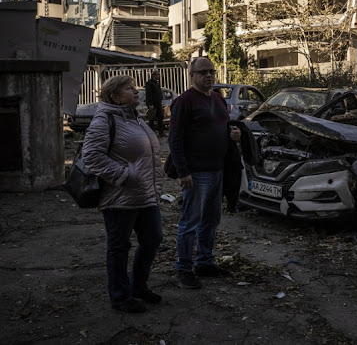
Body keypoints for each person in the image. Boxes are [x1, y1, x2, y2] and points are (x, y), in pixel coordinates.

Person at [82, 75, 164, 313]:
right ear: (114, 95)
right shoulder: (104, 119)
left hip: (145, 194)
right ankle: (120, 296)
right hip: (119, 197)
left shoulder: (135, 118)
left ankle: (138, 286)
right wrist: (124, 175)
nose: (136, 91)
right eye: (130, 89)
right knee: (119, 247)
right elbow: (92, 156)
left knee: (153, 239)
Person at [169, 58, 240, 289]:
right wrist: (183, 172)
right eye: (203, 72)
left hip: (217, 169)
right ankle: (184, 269)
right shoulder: (184, 101)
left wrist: (234, 135)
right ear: (192, 75)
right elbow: (175, 139)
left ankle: (205, 262)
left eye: (211, 71)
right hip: (196, 173)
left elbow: (222, 126)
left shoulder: (218, 98)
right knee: (190, 222)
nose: (209, 75)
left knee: (211, 220)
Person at [145, 70, 164, 137]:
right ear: (154, 75)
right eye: (158, 75)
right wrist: (150, 104)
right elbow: (149, 94)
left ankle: (161, 132)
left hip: (158, 103)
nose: (159, 76)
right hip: (153, 104)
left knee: (160, 117)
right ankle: (151, 133)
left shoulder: (156, 83)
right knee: (152, 119)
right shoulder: (149, 83)